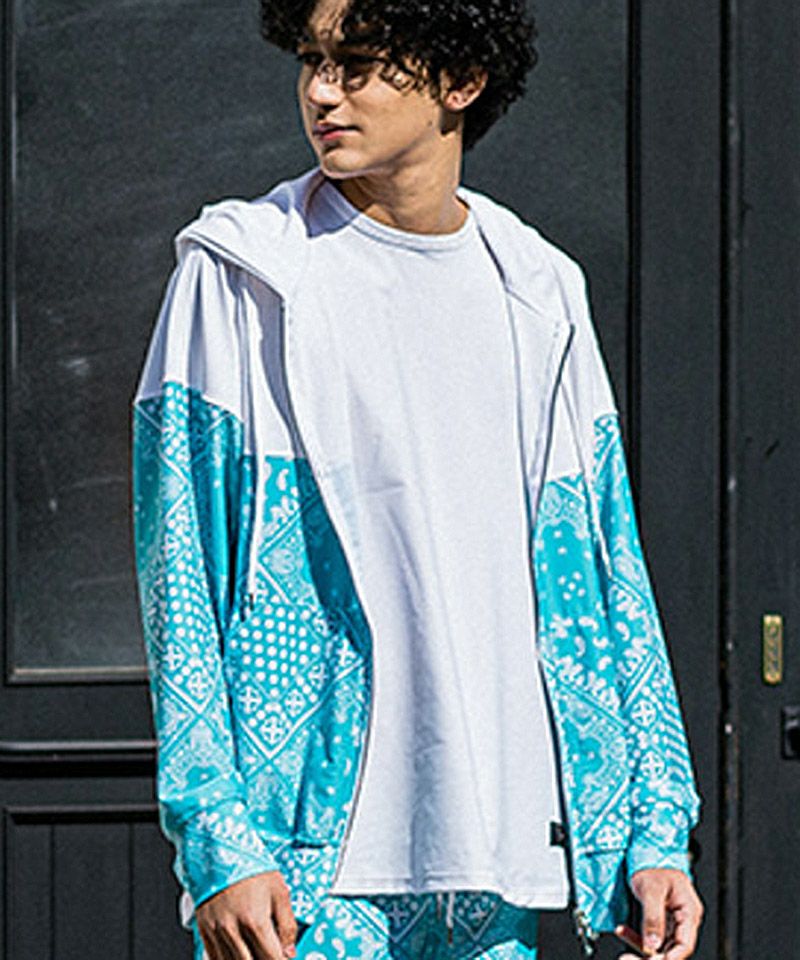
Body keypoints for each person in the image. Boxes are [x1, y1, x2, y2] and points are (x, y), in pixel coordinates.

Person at [130, 1, 705, 958]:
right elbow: (177, 572)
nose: (321, 92)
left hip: (494, 856)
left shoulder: (540, 291)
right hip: (303, 868)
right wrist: (218, 842)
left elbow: (607, 576)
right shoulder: (245, 274)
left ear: (461, 81)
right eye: (310, 60)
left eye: (356, 63)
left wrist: (653, 828)